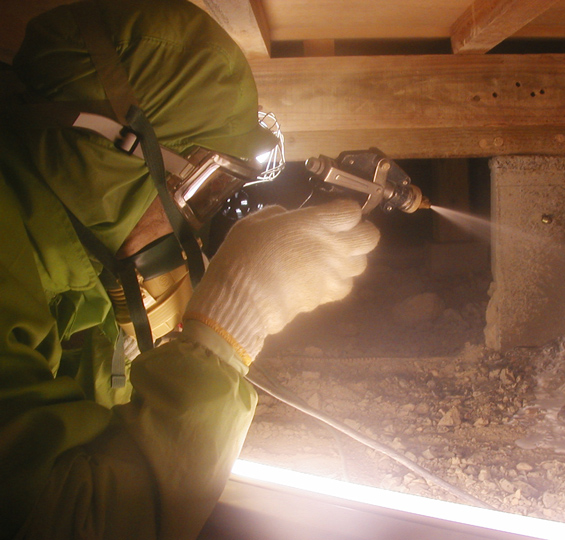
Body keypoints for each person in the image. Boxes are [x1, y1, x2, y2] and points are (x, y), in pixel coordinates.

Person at [0, 1, 380, 539]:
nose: (195, 226)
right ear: (109, 153)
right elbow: (72, 523)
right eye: (207, 188)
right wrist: (230, 326)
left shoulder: (67, 270)